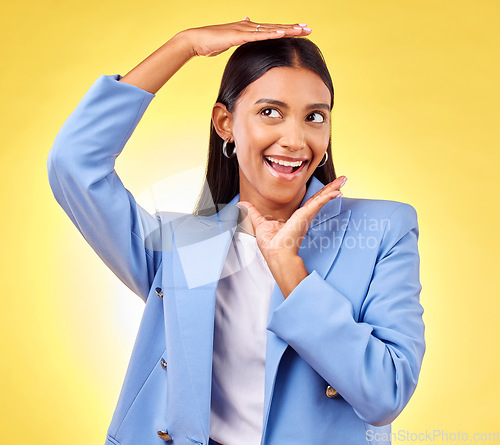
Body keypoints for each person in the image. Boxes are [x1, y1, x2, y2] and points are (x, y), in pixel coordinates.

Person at [47, 17, 425, 445]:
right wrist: (183, 46)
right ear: (225, 124)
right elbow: (74, 164)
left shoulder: (381, 229)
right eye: (270, 112)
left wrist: (289, 268)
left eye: (314, 117)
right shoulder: (182, 247)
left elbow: (385, 394)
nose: (295, 139)